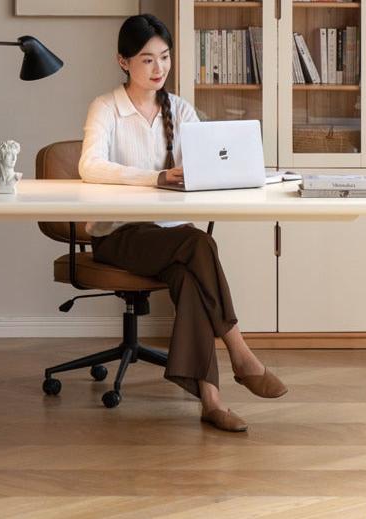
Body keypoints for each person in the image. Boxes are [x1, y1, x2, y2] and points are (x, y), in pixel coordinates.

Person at [78, 14, 288, 433]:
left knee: (191, 276)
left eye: (165, 58)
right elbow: (89, 166)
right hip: (118, 234)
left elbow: (207, 164)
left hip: (170, 235)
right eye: (147, 60)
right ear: (123, 61)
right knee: (199, 244)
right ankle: (240, 351)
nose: (158, 70)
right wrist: (154, 177)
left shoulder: (181, 109)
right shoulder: (106, 108)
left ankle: (211, 400)